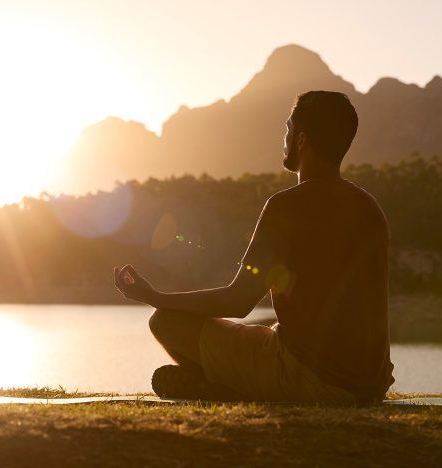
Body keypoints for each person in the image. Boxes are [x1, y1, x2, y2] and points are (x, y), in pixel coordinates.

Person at [114, 90, 394, 404]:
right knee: (267, 334)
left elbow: (238, 300)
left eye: (288, 130)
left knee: (165, 321)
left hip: (311, 380)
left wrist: (155, 297)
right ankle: (219, 384)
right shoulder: (369, 208)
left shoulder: (287, 207)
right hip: (371, 385)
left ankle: (218, 389)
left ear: (301, 140)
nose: (284, 139)